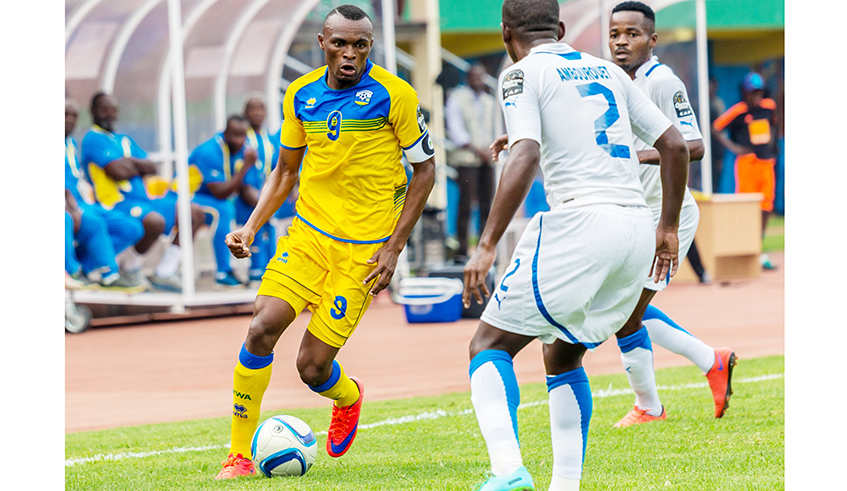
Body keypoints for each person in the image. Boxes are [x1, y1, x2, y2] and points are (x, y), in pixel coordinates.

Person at [460, 0, 690, 489]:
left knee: (489, 344)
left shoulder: (520, 74)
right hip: (634, 228)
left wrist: (485, 245)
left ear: (506, 34)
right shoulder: (607, 70)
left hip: (582, 222)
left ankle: (508, 471)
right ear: (561, 28)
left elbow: (526, 154)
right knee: (563, 355)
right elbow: (674, 145)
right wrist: (667, 229)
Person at [215, 4, 436, 479]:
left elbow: (425, 171)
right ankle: (238, 455)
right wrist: (251, 227)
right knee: (260, 327)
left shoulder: (396, 97)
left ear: (371, 47)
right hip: (309, 236)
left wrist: (394, 248)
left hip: (363, 252)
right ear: (322, 43)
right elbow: (286, 171)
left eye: (361, 45)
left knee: (312, 369)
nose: (350, 53)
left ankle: (348, 396)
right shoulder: (300, 95)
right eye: (340, 43)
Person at [604, 1, 736, 427]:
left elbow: (693, 145)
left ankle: (649, 407)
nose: (621, 42)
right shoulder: (608, 80)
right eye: (614, 34)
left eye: (632, 34)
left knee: (623, 313)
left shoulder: (662, 81)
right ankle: (710, 361)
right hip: (633, 215)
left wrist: (634, 156)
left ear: (652, 40)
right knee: (620, 308)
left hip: (668, 216)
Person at [80, 92, 206, 292]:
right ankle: (130, 268)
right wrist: (132, 165)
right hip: (117, 203)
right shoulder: (93, 139)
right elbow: (117, 172)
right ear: (93, 111)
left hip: (144, 200)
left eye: (113, 109)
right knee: (154, 221)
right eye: (105, 109)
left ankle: (165, 272)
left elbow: (151, 166)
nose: (110, 114)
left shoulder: (123, 139)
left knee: (194, 213)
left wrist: (129, 163)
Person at [65, 98, 145, 292]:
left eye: (74, 115)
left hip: (84, 204)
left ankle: (87, 267)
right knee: (83, 221)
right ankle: (78, 272)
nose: (70, 119)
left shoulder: (71, 143)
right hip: (72, 206)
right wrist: (71, 207)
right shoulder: (93, 139)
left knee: (132, 228)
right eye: (65, 114)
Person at [712, 72, 780, 270]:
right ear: (745, 93)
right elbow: (716, 128)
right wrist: (734, 148)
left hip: (767, 163)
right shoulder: (738, 111)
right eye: (752, 93)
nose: (755, 97)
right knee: (748, 207)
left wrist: (773, 148)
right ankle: (748, 249)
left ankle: (759, 247)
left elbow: (773, 126)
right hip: (748, 163)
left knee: (766, 207)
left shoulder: (769, 107)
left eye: (758, 92)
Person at [188, 115, 256, 288]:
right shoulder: (209, 151)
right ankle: (222, 272)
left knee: (256, 211)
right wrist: (246, 167)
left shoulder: (243, 149)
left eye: (242, 135)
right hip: (187, 196)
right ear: (225, 133)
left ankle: (258, 269)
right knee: (223, 210)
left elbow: (245, 187)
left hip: (213, 197)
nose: (239, 140)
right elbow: (220, 193)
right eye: (235, 135)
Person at [444, 63, 499, 259]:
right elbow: (456, 130)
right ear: (468, 78)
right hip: (466, 159)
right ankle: (462, 250)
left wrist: (489, 150)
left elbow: (496, 128)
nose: (478, 81)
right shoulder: (457, 99)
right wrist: (477, 149)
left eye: (481, 77)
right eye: (475, 77)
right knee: (466, 205)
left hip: (487, 160)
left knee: (488, 205)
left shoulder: (489, 101)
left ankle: (486, 247)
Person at [238, 95, 281, 285]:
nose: (257, 113)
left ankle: (270, 270)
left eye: (260, 108)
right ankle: (256, 271)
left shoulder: (269, 139)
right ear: (245, 113)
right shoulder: (242, 138)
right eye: (252, 108)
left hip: (264, 194)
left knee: (271, 225)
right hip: (244, 196)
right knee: (257, 222)